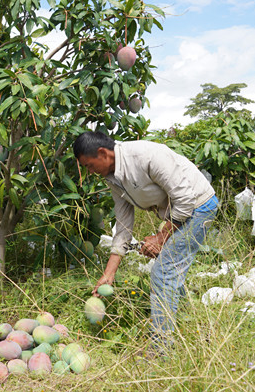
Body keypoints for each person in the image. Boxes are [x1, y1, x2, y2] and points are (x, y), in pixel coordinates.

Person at [72, 131, 219, 353]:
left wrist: (161, 237)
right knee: (171, 271)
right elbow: (123, 225)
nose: (90, 172)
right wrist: (109, 273)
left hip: (199, 207)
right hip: (180, 213)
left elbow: (185, 201)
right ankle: (183, 325)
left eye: (89, 165)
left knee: (164, 272)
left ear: (102, 153)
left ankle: (160, 349)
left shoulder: (145, 156)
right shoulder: (113, 178)